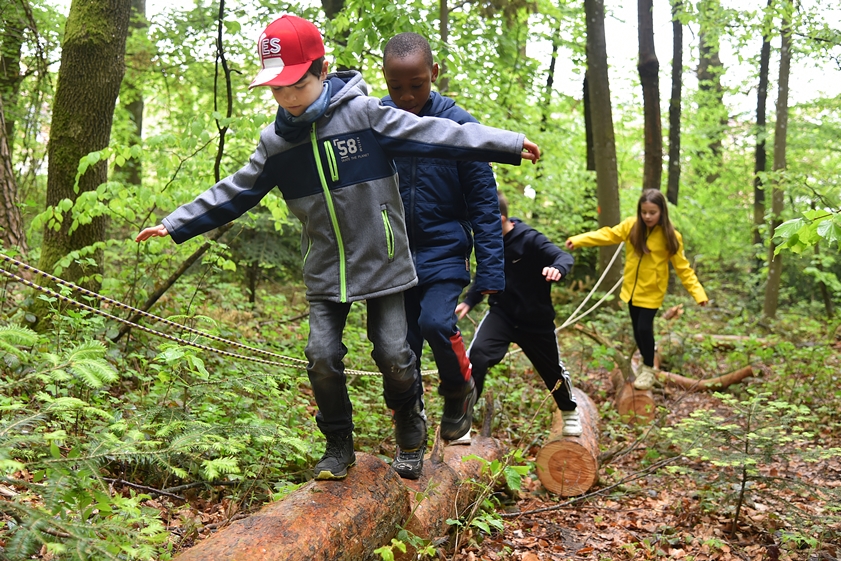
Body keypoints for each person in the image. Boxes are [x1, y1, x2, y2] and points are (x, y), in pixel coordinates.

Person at [135, 14, 540, 482]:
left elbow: (437, 132)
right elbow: (236, 189)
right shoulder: (276, 144)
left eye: (297, 85)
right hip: (326, 269)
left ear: (322, 71)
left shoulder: (365, 115)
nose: (289, 98)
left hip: (384, 262)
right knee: (321, 356)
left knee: (394, 354)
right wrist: (175, 222)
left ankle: (410, 429)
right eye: (278, 89)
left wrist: (505, 144)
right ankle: (338, 442)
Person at [380, 33, 504, 470]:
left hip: (444, 252)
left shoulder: (459, 125)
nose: (406, 96)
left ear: (433, 73)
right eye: (396, 86)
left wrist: (490, 272)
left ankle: (458, 390)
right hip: (392, 258)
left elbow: (484, 204)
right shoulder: (379, 121)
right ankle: (408, 434)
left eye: (416, 84)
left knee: (435, 322)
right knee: (397, 351)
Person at [455, 191, 583, 437]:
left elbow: (562, 256)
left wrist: (557, 268)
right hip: (502, 315)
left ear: (501, 219)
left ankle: (569, 412)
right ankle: (462, 420)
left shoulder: (530, 239)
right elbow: (485, 275)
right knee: (477, 356)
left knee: (552, 370)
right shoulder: (489, 243)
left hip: (535, 320)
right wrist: (470, 301)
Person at [565, 188, 708, 391]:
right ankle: (644, 362)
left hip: (652, 292)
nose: (647, 216)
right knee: (637, 331)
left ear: (662, 212)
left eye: (652, 212)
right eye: (644, 212)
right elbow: (608, 235)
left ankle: (648, 369)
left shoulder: (670, 237)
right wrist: (579, 240)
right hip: (631, 290)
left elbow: (683, 269)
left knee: (644, 328)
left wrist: (698, 293)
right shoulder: (632, 227)